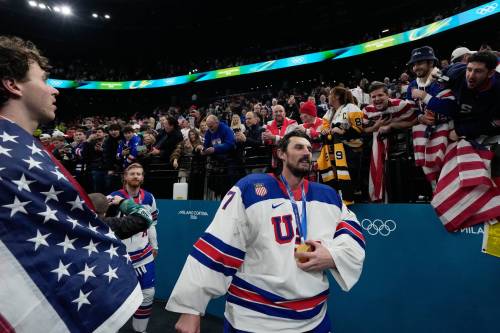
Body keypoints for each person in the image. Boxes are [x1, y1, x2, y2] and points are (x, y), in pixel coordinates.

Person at [0, 35, 142, 332]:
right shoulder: (11, 162)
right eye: (44, 79)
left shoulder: (25, 153)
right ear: (13, 85)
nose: (54, 89)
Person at [167, 130, 365, 333]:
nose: (306, 152)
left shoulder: (328, 195)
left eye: (309, 148)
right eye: (298, 147)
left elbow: (352, 235)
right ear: (281, 154)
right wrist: (191, 308)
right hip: (254, 320)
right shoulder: (250, 189)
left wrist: (333, 255)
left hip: (314, 319)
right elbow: (218, 246)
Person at [109, 163, 159, 333]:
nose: (136, 176)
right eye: (132, 174)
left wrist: (155, 245)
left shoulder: (149, 198)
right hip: (119, 257)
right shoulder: (113, 197)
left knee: (148, 294)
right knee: (112, 296)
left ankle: (140, 330)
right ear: (125, 177)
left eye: (139, 174)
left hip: (144, 254)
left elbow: (152, 224)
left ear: (143, 177)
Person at [89, 193, 153, 240]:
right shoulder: (107, 225)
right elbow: (145, 218)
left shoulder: (79, 223)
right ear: (105, 213)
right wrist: (122, 202)